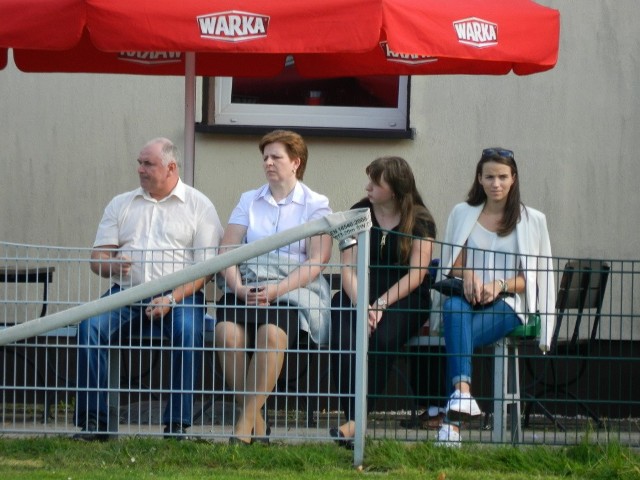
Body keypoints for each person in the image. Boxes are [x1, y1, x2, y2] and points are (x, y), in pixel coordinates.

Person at [74, 137, 223, 441]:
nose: (140, 170)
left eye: (148, 164)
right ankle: (94, 422)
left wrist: (171, 297)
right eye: (139, 163)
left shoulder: (199, 205)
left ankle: (176, 426)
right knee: (89, 326)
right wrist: (112, 267)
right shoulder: (122, 203)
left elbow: (206, 269)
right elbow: (97, 259)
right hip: (126, 293)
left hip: (180, 296)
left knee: (189, 332)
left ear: (171, 167)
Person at [214, 129, 332, 446]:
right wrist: (238, 289)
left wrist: (278, 290)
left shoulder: (316, 204)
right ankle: (257, 423)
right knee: (226, 333)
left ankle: (242, 429)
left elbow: (318, 259)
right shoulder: (248, 200)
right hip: (248, 283)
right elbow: (227, 250)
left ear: (295, 162)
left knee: (270, 334)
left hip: (290, 289)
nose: (268, 162)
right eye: (264, 156)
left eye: (275, 156)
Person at [435, 147, 555, 447]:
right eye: (489, 176)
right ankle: (463, 395)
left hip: (509, 303)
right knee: (453, 308)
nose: (496, 183)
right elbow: (452, 263)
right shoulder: (462, 213)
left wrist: (499, 285)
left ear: (513, 179)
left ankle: (451, 423)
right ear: (479, 178)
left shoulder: (532, 220)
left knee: (458, 335)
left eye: (503, 176)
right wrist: (470, 276)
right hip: (467, 297)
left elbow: (533, 278)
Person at [329, 156, 436, 447]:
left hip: (406, 295)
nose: (368, 187)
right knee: (343, 337)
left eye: (376, 182)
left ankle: (354, 422)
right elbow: (348, 267)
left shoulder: (421, 219)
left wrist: (380, 305)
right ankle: (355, 420)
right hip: (358, 290)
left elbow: (416, 275)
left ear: (397, 188)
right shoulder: (357, 212)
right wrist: (363, 304)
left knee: (383, 338)